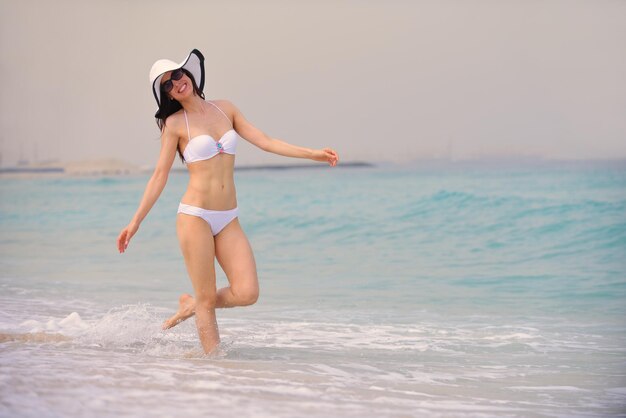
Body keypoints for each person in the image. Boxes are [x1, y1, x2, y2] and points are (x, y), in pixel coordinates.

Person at [116, 49, 339, 354]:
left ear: (188, 74)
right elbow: (159, 177)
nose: (177, 83)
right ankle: (214, 371)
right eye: (167, 84)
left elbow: (266, 141)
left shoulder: (225, 109)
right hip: (195, 216)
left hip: (228, 217)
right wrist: (135, 222)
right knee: (208, 300)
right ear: (167, 95)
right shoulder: (175, 125)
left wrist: (312, 153)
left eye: (178, 75)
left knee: (247, 292)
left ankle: (190, 305)